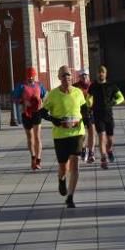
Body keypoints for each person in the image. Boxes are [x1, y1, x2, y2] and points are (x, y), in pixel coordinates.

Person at [40, 65, 89, 208]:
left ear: (71, 77)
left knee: (75, 163)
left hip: (76, 133)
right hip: (60, 135)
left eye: (68, 75)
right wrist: (54, 120)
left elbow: (84, 109)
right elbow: (42, 112)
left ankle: (70, 196)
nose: (66, 78)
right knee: (63, 167)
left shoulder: (78, 92)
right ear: (59, 78)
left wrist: (85, 123)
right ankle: (61, 179)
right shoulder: (53, 95)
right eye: (63, 75)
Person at [87, 66, 125, 169]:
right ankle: (103, 159)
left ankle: (109, 150)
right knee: (101, 137)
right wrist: (89, 105)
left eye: (102, 72)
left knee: (110, 140)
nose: (101, 74)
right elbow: (88, 98)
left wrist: (114, 102)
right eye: (99, 72)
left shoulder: (111, 86)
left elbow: (121, 97)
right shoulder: (93, 86)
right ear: (96, 74)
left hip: (109, 115)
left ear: (106, 74)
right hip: (98, 115)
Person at [13, 68, 46, 171]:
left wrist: (41, 102)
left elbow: (45, 95)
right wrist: (23, 101)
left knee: (37, 136)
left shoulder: (39, 85)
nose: (31, 78)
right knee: (30, 137)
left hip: (37, 112)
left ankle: (38, 160)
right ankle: (33, 157)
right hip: (26, 114)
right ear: (26, 76)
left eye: (32, 76)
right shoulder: (21, 86)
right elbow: (14, 98)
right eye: (29, 76)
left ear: (35, 76)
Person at [73, 68, 96, 163]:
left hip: (91, 111)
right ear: (79, 77)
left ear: (88, 76)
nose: (84, 77)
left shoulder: (93, 85)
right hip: (79, 112)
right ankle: (83, 149)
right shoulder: (75, 87)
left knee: (92, 131)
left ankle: (91, 152)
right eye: (82, 75)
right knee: (81, 134)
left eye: (85, 75)